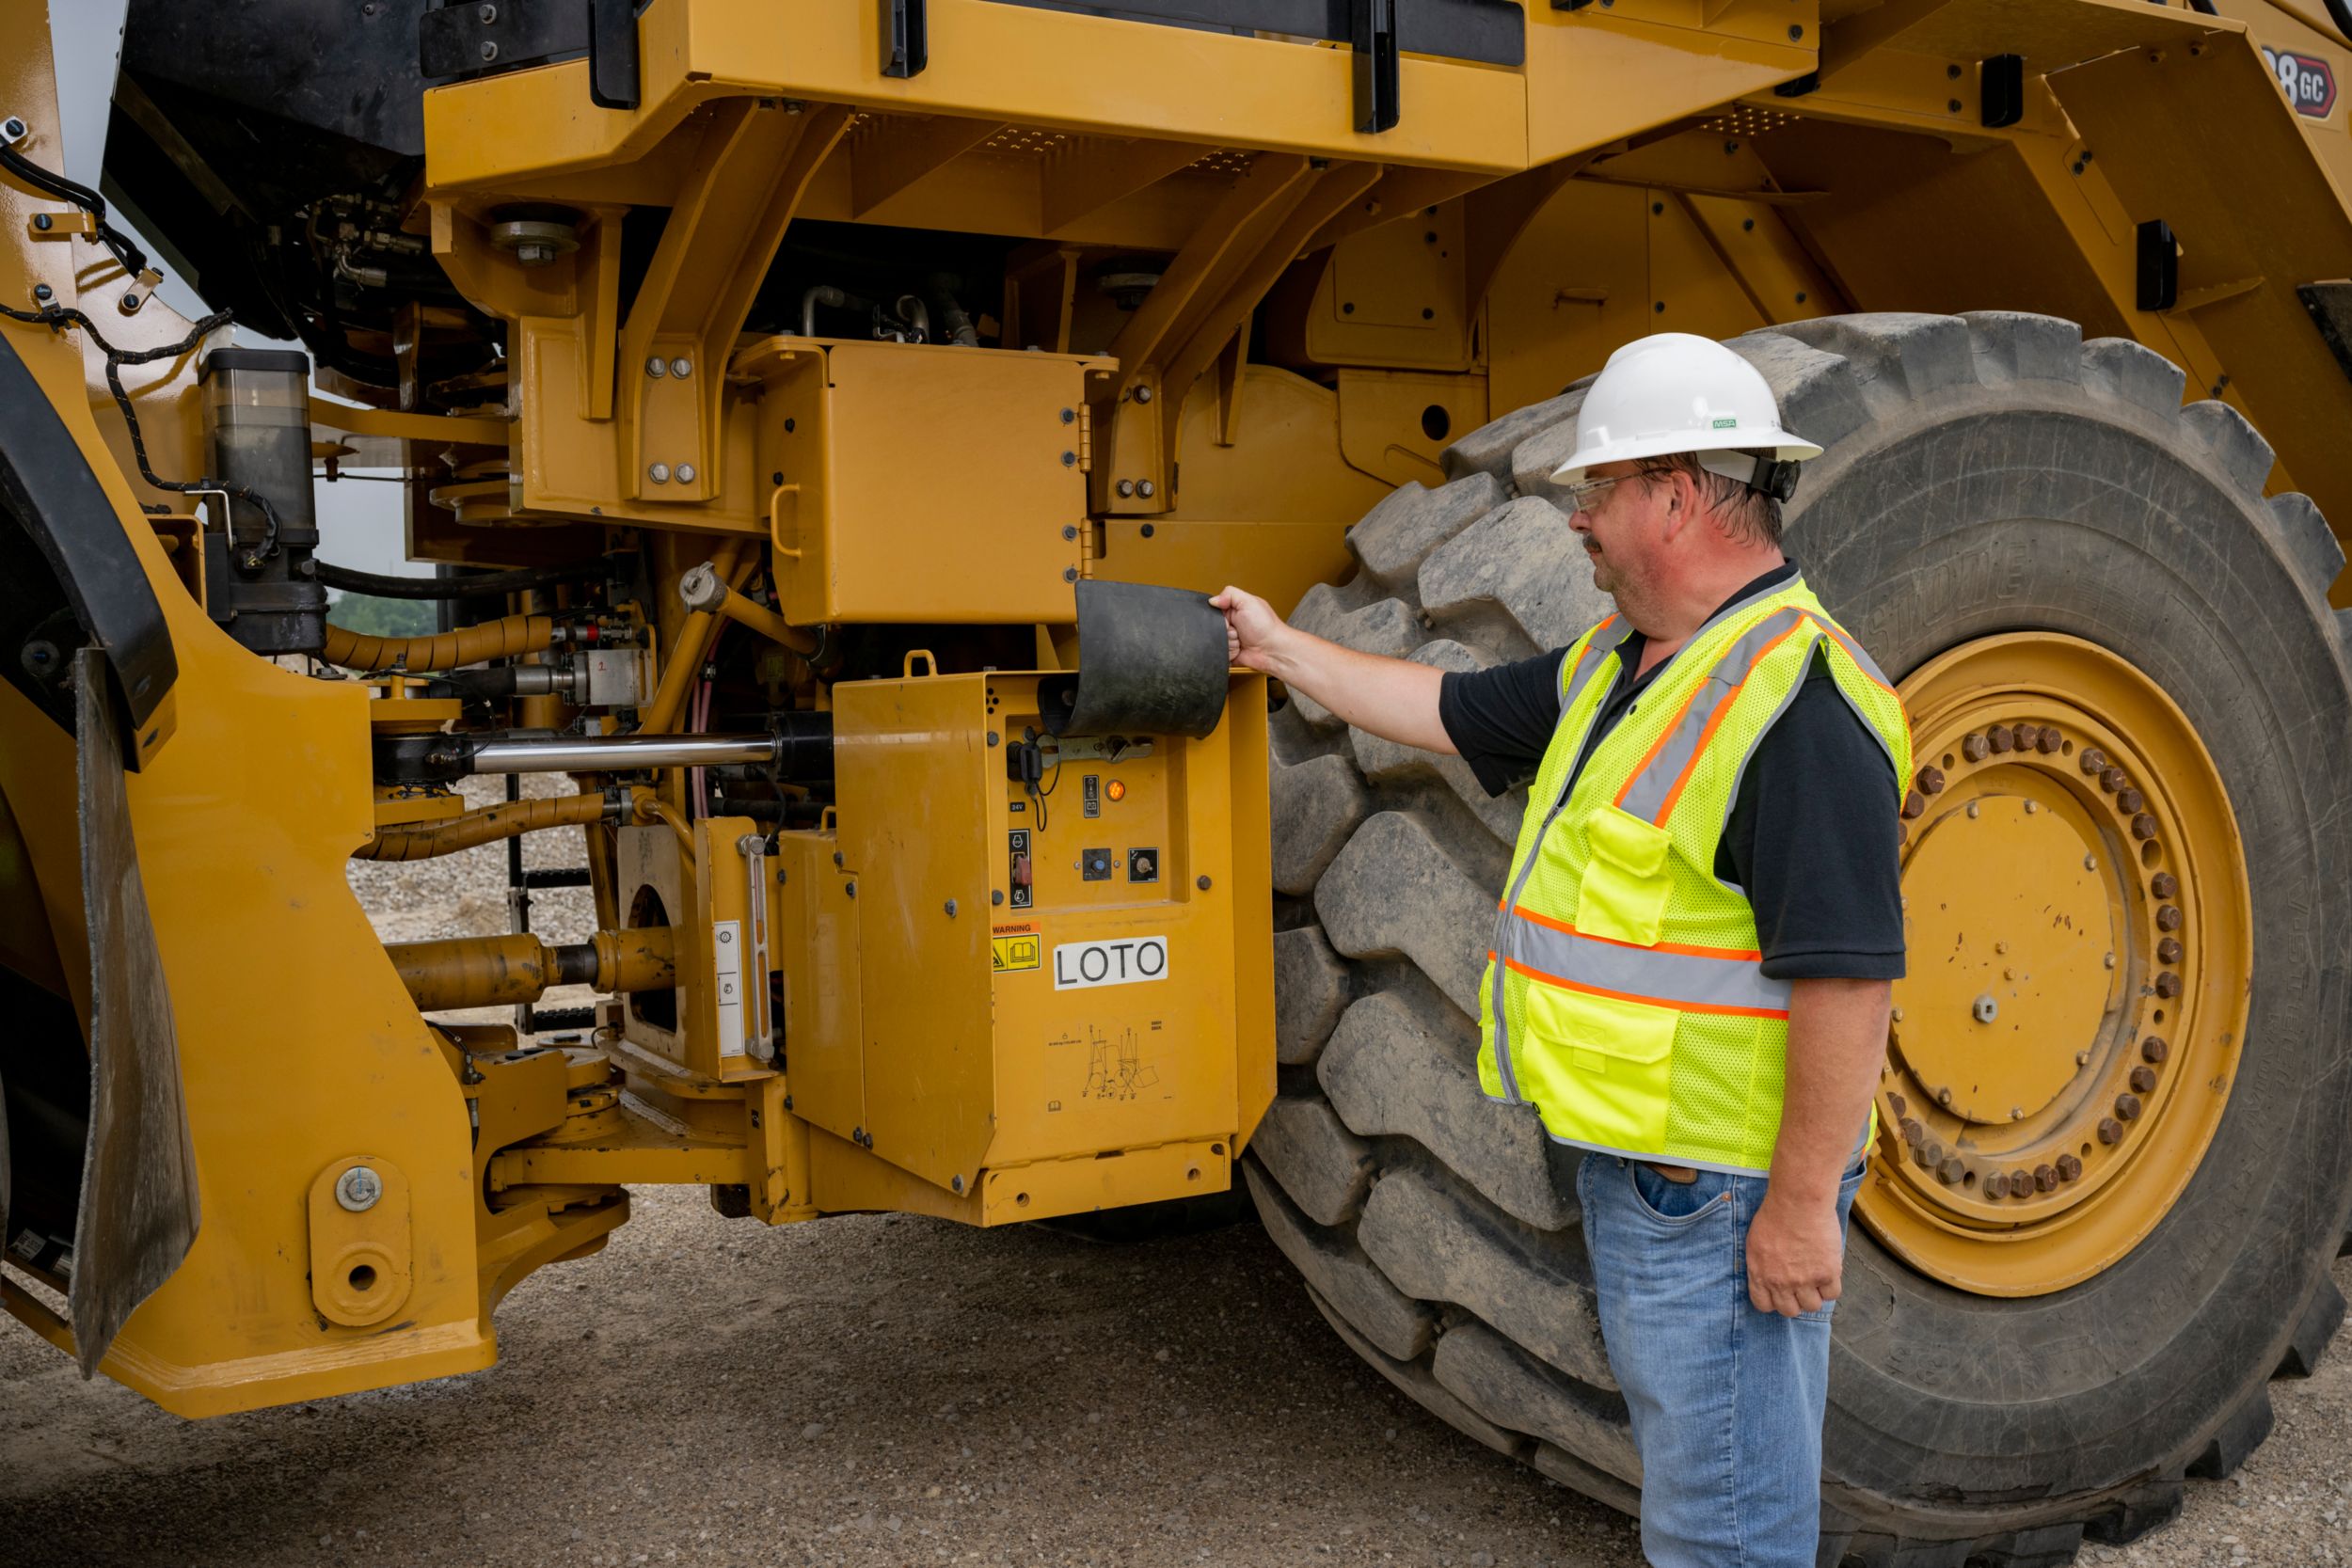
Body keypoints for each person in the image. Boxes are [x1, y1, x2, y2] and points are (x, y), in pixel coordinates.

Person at [1214, 332, 1909, 1568]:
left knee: (1729, 1531)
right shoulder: (1615, 665)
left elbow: (1850, 978)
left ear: (1679, 495)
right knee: (1698, 1496)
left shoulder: (1798, 701)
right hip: (1643, 1176)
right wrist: (1278, 649)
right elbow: (1441, 709)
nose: (1580, 520)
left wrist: (1802, 1210)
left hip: (1722, 1194)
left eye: (1599, 490)